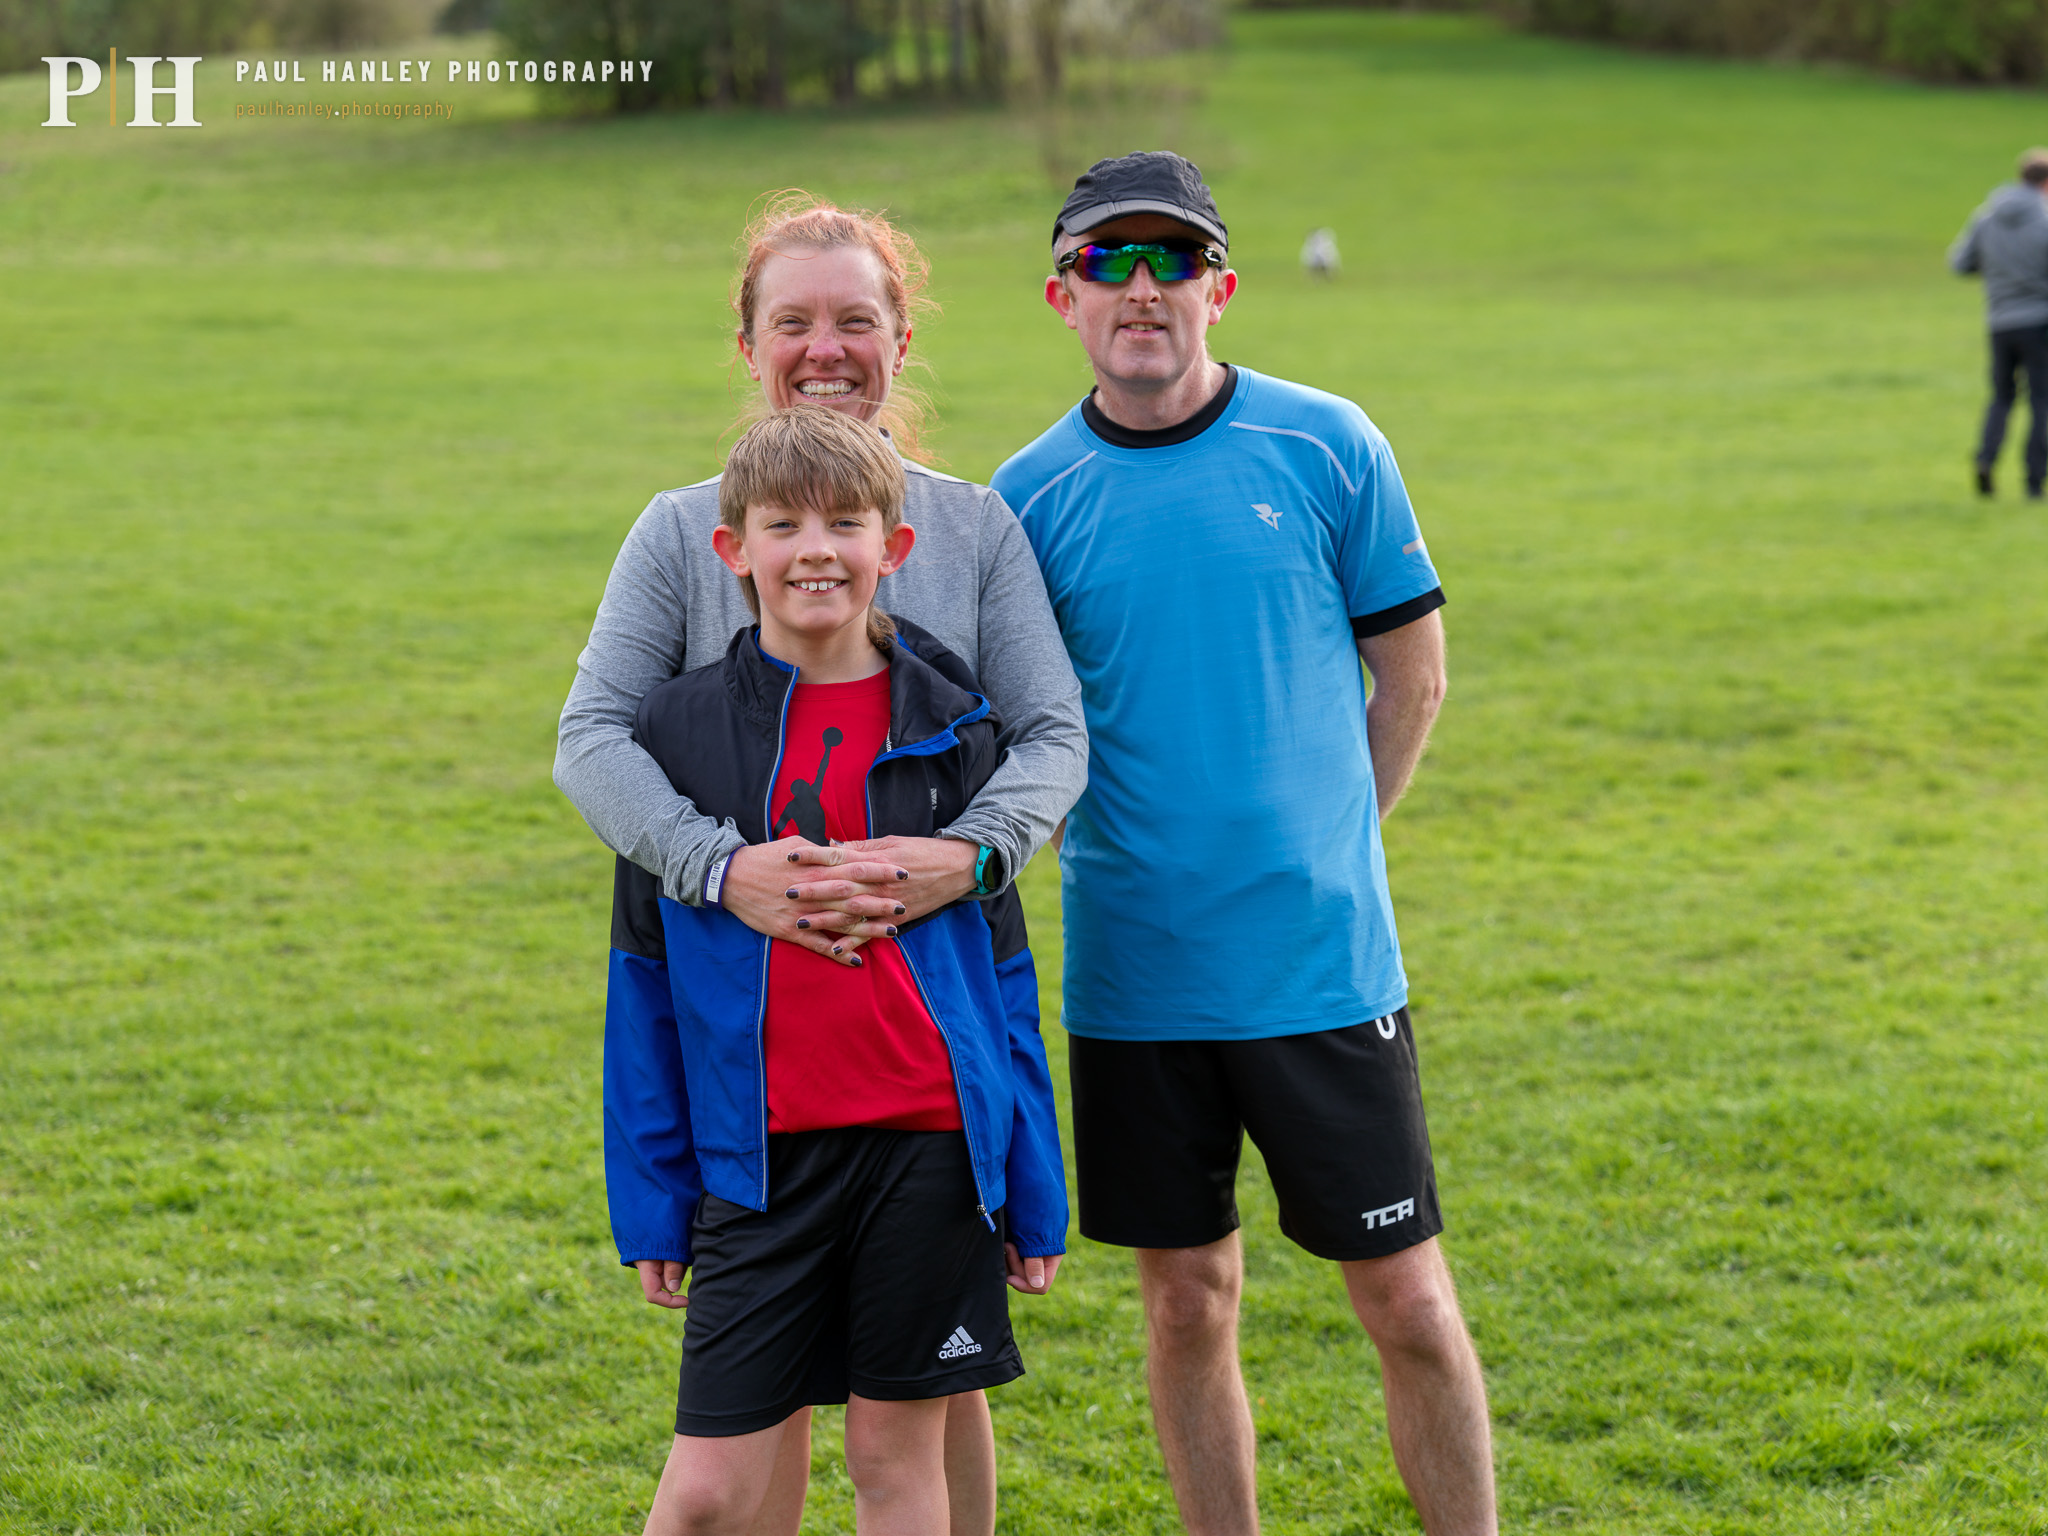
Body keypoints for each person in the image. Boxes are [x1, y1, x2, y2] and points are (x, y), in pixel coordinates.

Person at [554, 194, 1088, 1534]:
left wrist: (960, 861)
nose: (826, 347)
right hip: (754, 1046)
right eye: (793, 321)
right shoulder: (686, 530)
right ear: (748, 343)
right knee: (751, 1440)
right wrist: (718, 869)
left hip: (920, 1049)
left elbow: (1049, 738)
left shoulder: (971, 530)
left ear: (903, 340)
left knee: (918, 1430)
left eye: (857, 319)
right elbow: (592, 740)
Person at [992, 152, 1496, 1535]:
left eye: (1171, 259)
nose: (1140, 287)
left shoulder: (1330, 445)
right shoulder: (1022, 500)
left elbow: (1417, 676)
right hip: (1138, 983)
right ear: (1062, 296)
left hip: (1321, 970)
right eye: (1108, 261)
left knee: (1406, 1298)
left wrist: (1336, 845)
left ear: (1222, 285)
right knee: (1186, 1298)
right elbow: (1018, 735)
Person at [1950, 147, 2048, 498]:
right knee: (2042, 400)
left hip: (2000, 320)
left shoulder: (1986, 217)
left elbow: (1960, 263)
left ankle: (1986, 460)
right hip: (2040, 320)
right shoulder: (2044, 220)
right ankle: (2034, 482)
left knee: (2002, 396)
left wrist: (2000, 272)